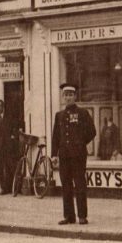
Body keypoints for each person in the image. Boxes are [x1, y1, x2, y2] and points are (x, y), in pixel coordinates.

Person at [51, 84, 95, 225]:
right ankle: (68, 216)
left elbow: (92, 132)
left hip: (78, 156)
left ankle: (82, 216)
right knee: (66, 186)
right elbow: (55, 137)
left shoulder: (83, 113)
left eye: (71, 95)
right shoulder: (59, 116)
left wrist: (80, 143)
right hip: (64, 156)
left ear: (75, 96)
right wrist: (54, 155)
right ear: (63, 97)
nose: (68, 97)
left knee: (80, 185)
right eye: (66, 95)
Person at [0, 99, 20, 195]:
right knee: (0, 168)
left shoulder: (9, 118)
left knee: (10, 167)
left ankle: (11, 188)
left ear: (3, 107)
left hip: (8, 148)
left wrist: (13, 137)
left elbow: (16, 129)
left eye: (0, 106)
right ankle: (2, 188)